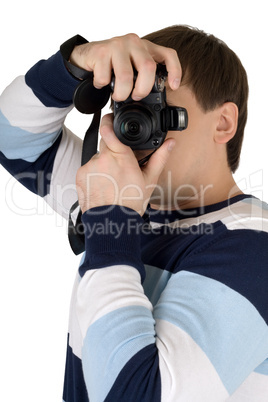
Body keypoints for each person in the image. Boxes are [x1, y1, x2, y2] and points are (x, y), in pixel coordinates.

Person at [0, 25, 267, 402]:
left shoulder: (252, 249)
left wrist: (111, 222)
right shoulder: (127, 196)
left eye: (158, 111)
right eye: (130, 108)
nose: (136, 128)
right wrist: (77, 64)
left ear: (222, 122)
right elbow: (10, 136)